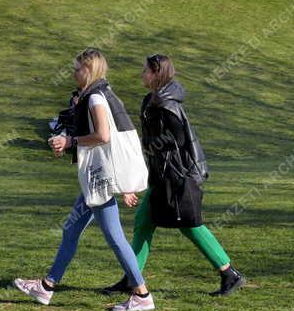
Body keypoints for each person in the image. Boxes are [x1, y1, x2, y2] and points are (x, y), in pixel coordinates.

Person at [14, 48, 155, 311]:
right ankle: (47, 286)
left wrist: (70, 141)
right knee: (71, 230)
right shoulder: (99, 94)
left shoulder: (95, 98)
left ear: (88, 70)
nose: (73, 72)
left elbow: (103, 135)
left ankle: (142, 294)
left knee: (115, 237)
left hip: (98, 180)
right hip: (96, 179)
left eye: (77, 68)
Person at [102, 54, 245, 297]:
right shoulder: (154, 99)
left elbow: (176, 138)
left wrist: (145, 147)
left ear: (157, 73)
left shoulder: (167, 104)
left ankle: (229, 273)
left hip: (175, 176)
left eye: (146, 70)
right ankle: (131, 278)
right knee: (143, 223)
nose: (142, 74)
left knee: (189, 225)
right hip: (161, 175)